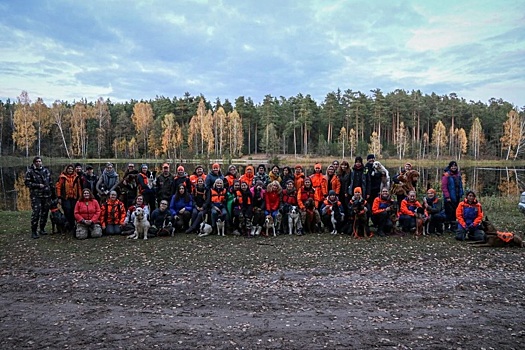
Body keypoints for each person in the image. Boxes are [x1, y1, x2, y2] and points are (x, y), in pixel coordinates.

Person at [25, 156, 53, 239]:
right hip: (36, 196)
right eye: (37, 161)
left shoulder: (46, 171)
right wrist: (37, 185)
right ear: (34, 162)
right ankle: (34, 231)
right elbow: (27, 183)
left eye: (40, 161)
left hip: (47, 195)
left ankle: (42, 229)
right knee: (36, 213)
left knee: (45, 213)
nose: (38, 163)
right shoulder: (30, 172)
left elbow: (50, 182)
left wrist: (53, 193)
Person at [56, 163, 83, 233]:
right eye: (69, 169)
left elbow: (79, 187)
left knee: (74, 211)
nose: (70, 170)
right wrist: (59, 197)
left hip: (74, 197)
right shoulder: (62, 177)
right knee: (67, 210)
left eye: (71, 169)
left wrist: (80, 197)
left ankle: (73, 225)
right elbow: (58, 187)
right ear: (66, 169)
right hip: (65, 197)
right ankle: (68, 225)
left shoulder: (76, 177)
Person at [442, 161, 464, 232]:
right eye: (452, 166)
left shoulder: (458, 175)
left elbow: (460, 186)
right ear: (449, 167)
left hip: (456, 196)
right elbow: (444, 187)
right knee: (448, 212)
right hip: (449, 198)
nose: (454, 167)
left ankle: (453, 226)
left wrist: (461, 193)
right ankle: (446, 227)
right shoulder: (446, 175)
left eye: (455, 166)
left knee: (455, 212)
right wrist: (447, 197)